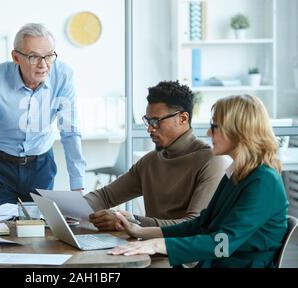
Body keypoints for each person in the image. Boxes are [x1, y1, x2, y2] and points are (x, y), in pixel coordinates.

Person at [109, 94, 288, 268]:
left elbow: (223, 244)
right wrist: (140, 232)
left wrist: (157, 245)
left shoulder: (264, 181)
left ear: (239, 131)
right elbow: (202, 224)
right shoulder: (238, 172)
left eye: (215, 126)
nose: (209, 132)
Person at [0, 23, 87, 211]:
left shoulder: (63, 76)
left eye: (49, 56)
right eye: (34, 57)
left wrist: (78, 185)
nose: (43, 64)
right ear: (16, 57)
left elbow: (69, 133)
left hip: (40, 165)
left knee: (41, 231)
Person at [85, 81, 228, 229]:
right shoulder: (149, 162)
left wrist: (128, 221)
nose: (150, 129)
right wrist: (67, 211)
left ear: (183, 119)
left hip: (180, 251)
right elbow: (105, 196)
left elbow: (193, 224)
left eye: (156, 121)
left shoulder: (211, 162)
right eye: (148, 121)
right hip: (144, 248)